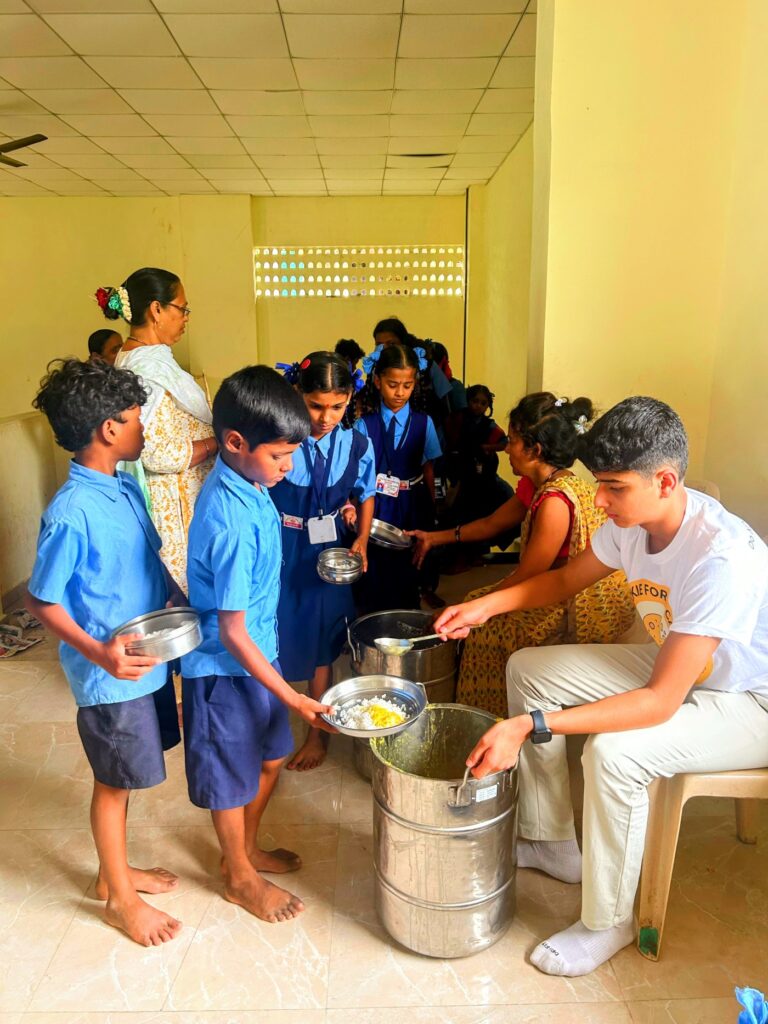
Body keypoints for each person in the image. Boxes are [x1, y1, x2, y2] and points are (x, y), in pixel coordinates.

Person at [434, 396, 768, 977]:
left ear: (664, 481)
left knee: (613, 755)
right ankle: (552, 841)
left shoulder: (722, 557)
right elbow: (563, 581)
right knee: (530, 669)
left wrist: (531, 727)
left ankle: (608, 921)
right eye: (598, 484)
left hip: (748, 699)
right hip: (685, 666)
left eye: (613, 487)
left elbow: (660, 701)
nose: (600, 500)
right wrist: (485, 606)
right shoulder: (633, 526)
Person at [25, 358, 185, 947]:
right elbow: (42, 600)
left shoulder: (122, 485)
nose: (146, 431)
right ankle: (118, 896)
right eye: (139, 420)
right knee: (112, 783)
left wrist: (175, 599)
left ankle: (113, 871)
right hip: (112, 676)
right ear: (110, 429)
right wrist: (98, 652)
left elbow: (140, 563)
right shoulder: (72, 511)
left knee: (129, 774)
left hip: (144, 660)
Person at [180, 365, 336, 924]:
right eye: (279, 457)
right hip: (224, 668)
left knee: (271, 756)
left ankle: (245, 849)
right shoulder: (228, 517)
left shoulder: (251, 483)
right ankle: (238, 876)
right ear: (236, 442)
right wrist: (295, 697)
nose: (288, 467)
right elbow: (231, 630)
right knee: (230, 774)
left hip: (257, 655)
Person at [416, 393, 635, 718]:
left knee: (485, 631)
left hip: (565, 604)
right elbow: (493, 523)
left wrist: (478, 606)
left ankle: (490, 719)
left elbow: (529, 578)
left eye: (513, 440)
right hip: (548, 585)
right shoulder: (536, 486)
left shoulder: (555, 502)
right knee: (472, 604)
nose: (506, 448)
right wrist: (434, 538)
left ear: (535, 450)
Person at [272, 352, 375, 772]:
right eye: (316, 405)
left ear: (351, 398)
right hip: (281, 543)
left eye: (337, 405)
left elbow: (366, 491)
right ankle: (272, 725)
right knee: (274, 627)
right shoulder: (280, 439)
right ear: (298, 394)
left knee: (321, 637)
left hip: (330, 548)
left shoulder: (357, 443)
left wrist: (363, 535)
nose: (326, 417)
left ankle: (317, 732)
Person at [97, 269, 217, 594]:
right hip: (171, 509)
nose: (186, 318)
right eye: (182, 308)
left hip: (186, 499)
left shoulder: (150, 361)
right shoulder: (144, 371)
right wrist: (215, 442)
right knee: (181, 600)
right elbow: (154, 452)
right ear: (156, 309)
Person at [354, 343, 441, 612]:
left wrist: (433, 503)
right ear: (378, 381)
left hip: (412, 503)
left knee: (409, 564)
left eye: (407, 385)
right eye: (393, 384)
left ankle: (406, 617)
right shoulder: (363, 424)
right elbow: (357, 476)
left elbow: (429, 468)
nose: (400, 393)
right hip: (375, 502)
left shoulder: (424, 423)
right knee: (375, 567)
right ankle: (372, 620)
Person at [443, 384, 513, 548]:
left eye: (483, 403)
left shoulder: (489, 425)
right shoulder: (459, 418)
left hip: (483, 475)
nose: (478, 406)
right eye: (475, 401)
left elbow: (504, 443)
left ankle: (479, 552)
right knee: (458, 511)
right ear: (468, 401)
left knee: (491, 505)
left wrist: (487, 448)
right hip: (460, 472)